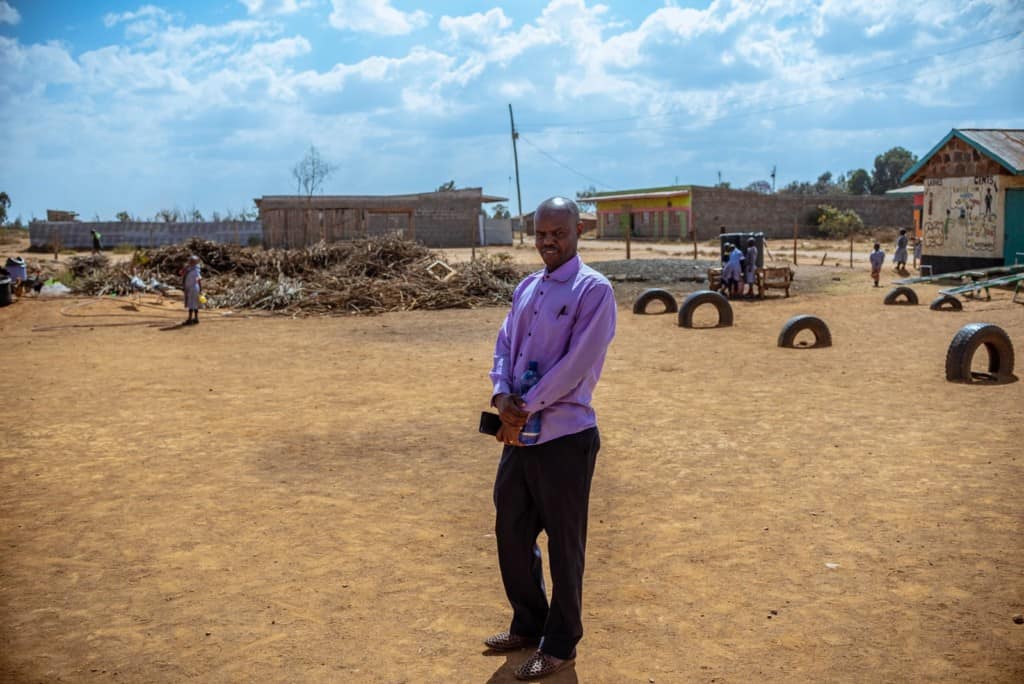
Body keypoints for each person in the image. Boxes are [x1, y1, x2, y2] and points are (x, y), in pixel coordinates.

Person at [485, 196, 616, 680]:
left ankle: (560, 644)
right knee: (510, 530)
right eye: (541, 233)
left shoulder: (593, 291)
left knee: (565, 544)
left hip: (565, 438)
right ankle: (529, 621)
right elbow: (504, 344)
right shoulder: (526, 287)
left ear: (579, 231)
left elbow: (577, 365)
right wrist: (502, 396)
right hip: (519, 434)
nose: (548, 242)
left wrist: (526, 406)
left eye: (558, 233)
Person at [181, 255, 202, 325]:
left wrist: (200, 289)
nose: (189, 262)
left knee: (192, 304)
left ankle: (190, 319)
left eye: (191, 261)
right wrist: (185, 268)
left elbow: (198, 280)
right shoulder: (190, 269)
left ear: (195, 262)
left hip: (193, 288)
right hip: (190, 288)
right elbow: (181, 273)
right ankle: (195, 318)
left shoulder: (196, 270)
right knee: (194, 304)